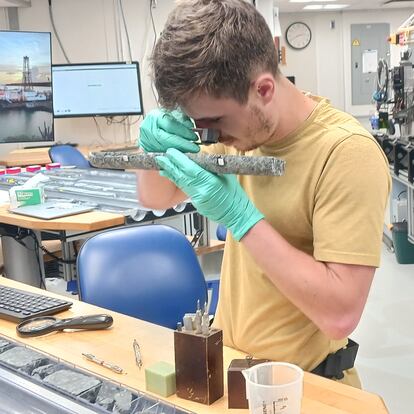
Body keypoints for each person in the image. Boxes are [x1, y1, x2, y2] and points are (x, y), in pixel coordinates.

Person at [136, 0, 390, 387]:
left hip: (305, 387)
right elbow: (156, 197)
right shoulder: (238, 131)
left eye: (214, 122)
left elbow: (340, 313)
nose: (211, 137)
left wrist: (242, 218)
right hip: (231, 373)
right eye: (198, 124)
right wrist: (154, 153)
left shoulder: (346, 153)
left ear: (264, 89)